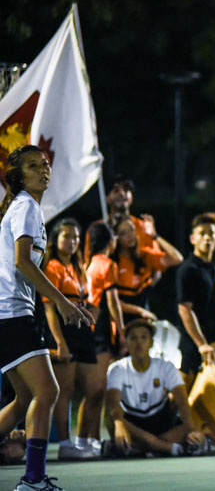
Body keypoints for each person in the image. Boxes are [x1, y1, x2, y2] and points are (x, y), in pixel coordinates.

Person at [0, 145, 93, 491]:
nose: (44, 170)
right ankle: (33, 480)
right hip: (9, 312)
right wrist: (63, 303)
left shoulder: (26, 208)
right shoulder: (26, 207)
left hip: (10, 312)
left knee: (25, 398)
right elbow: (23, 263)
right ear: (19, 176)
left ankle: (33, 478)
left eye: (46, 165)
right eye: (34, 166)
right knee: (49, 390)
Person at [104, 319, 208, 457]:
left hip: (160, 423)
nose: (139, 342)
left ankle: (139, 449)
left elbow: (182, 402)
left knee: (189, 429)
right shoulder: (117, 369)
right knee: (114, 421)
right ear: (126, 342)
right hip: (133, 423)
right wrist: (119, 424)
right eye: (133, 338)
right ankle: (168, 448)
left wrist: (193, 431)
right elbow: (113, 403)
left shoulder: (166, 367)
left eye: (143, 337)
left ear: (151, 342)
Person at [41, 218, 100, 459]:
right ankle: (65, 444)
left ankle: (83, 440)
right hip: (64, 332)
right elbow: (49, 308)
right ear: (56, 239)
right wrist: (59, 342)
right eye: (67, 236)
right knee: (64, 390)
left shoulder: (78, 267)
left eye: (76, 237)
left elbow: (87, 299)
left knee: (94, 389)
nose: (72, 242)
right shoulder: (52, 266)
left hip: (83, 333)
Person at [176, 213, 215, 390]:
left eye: (211, 233)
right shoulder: (187, 269)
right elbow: (185, 309)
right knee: (186, 396)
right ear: (192, 238)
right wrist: (201, 344)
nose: (207, 237)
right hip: (195, 347)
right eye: (202, 233)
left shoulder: (214, 269)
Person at [86, 221, 125, 449]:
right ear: (111, 242)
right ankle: (90, 439)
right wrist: (121, 332)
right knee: (98, 389)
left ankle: (91, 438)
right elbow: (112, 302)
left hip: (87, 327)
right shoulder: (107, 263)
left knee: (93, 390)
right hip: (100, 328)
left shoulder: (86, 264)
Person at [111, 215, 183, 325]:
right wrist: (140, 311)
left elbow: (177, 258)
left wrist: (155, 236)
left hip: (142, 313)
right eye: (123, 233)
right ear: (117, 238)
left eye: (131, 229)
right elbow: (112, 302)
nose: (129, 235)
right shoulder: (113, 262)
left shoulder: (144, 255)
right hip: (119, 318)